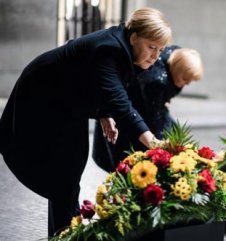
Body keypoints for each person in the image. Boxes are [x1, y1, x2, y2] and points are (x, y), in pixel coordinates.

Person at [0, 7, 172, 236]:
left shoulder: (120, 46)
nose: (156, 56)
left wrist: (103, 113)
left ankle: (65, 233)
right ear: (134, 38)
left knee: (70, 171)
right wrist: (151, 140)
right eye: (152, 47)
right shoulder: (110, 48)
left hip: (67, 103)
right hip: (41, 101)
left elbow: (91, 79)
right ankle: (66, 233)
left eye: (160, 50)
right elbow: (118, 98)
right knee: (64, 175)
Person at [92, 46, 204, 172]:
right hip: (129, 116)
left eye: (189, 81)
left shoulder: (174, 55)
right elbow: (154, 119)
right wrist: (161, 146)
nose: (186, 84)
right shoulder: (156, 83)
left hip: (144, 106)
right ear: (176, 70)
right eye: (184, 79)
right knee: (126, 163)